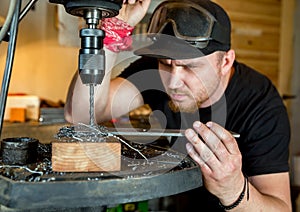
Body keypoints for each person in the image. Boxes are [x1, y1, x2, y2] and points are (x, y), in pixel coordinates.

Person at [65, 0, 292, 211]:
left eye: (190, 67)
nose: (173, 82)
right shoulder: (158, 69)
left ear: (225, 62)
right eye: (166, 64)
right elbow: (80, 113)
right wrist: (111, 34)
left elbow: (282, 207)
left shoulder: (261, 106)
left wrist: (233, 189)